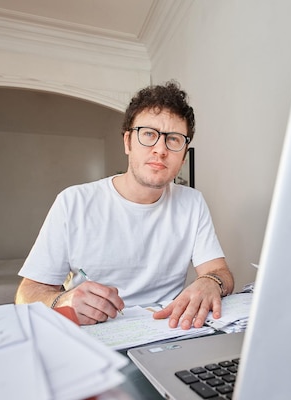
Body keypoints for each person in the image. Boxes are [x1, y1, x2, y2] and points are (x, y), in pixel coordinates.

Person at [15, 81, 234, 330]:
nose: (161, 149)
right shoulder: (73, 202)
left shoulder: (192, 203)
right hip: (93, 336)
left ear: (183, 157)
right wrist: (61, 301)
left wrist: (211, 281)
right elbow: (26, 295)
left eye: (174, 139)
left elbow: (221, 272)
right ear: (128, 142)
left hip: (166, 333)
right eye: (149, 134)